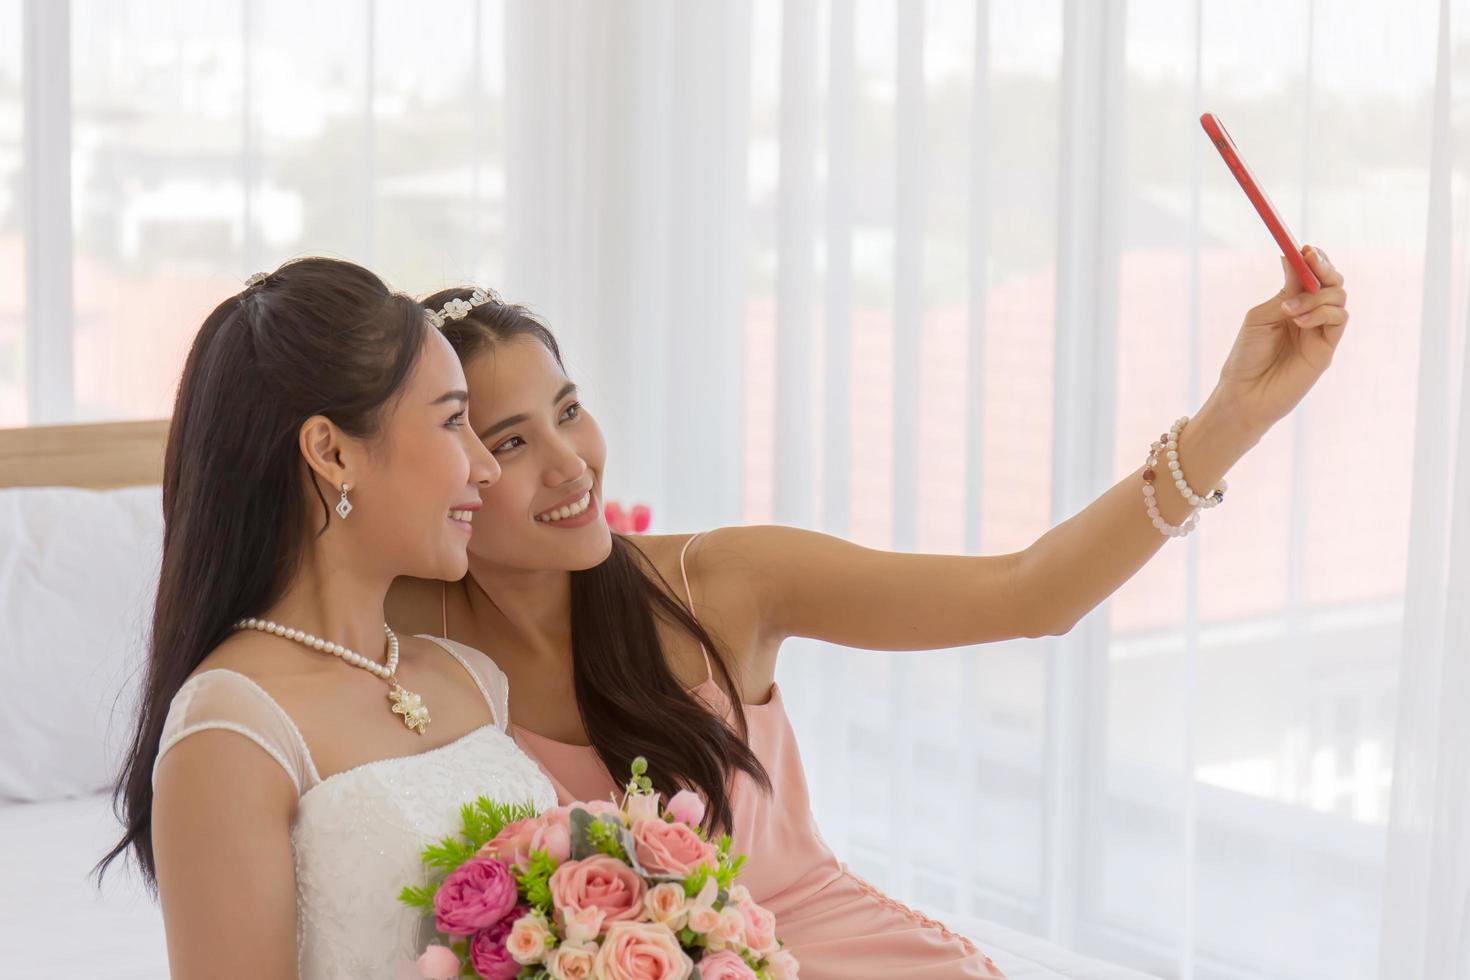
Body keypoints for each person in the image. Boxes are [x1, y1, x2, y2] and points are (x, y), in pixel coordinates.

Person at [387, 246, 1348, 979]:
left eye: (569, 409)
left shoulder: (721, 583)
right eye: (510, 442)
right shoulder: (399, 637)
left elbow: (1030, 593)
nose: (570, 463)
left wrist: (1233, 418)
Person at [99, 258, 557, 979]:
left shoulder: (471, 678)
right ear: (332, 451)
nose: (485, 466)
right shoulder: (231, 732)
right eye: (452, 422)